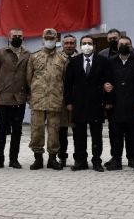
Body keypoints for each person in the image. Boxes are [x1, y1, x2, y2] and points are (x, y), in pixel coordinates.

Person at [65, 35, 113, 171]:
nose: (87, 46)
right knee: (78, 134)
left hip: (96, 103)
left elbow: (108, 82)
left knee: (96, 134)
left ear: (94, 46)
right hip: (78, 104)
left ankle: (96, 161)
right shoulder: (73, 62)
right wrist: (68, 102)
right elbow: (68, 84)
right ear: (80, 46)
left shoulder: (102, 61)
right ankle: (80, 161)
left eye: (89, 43)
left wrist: (108, 101)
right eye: (84, 43)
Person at [26, 28, 68, 170]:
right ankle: (37, 158)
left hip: (55, 99)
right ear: (43, 39)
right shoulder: (34, 57)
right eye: (47, 38)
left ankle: (52, 158)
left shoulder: (63, 58)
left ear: (57, 40)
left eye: (52, 38)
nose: (50, 40)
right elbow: (28, 78)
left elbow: (65, 79)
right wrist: (30, 95)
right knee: (36, 130)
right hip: (38, 100)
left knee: (54, 130)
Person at [0, 28, 30, 169]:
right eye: (15, 36)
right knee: (1, 130)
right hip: (3, 98)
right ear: (9, 37)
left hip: (19, 98)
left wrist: (29, 95)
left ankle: (14, 159)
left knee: (17, 130)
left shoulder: (27, 54)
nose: (17, 38)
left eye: (20, 36)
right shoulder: (0, 53)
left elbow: (29, 76)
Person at [106, 36, 134, 171]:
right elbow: (106, 80)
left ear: (131, 46)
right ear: (117, 46)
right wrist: (107, 99)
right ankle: (116, 160)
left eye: (127, 44)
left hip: (133, 103)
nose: (124, 46)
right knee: (116, 134)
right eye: (121, 44)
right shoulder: (110, 62)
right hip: (115, 104)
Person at [58, 34, 77, 167]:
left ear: (75, 45)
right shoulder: (57, 58)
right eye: (66, 43)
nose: (69, 45)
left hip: (77, 99)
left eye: (71, 43)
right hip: (61, 99)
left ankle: (79, 156)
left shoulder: (81, 58)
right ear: (62, 45)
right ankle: (62, 157)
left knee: (78, 130)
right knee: (62, 131)